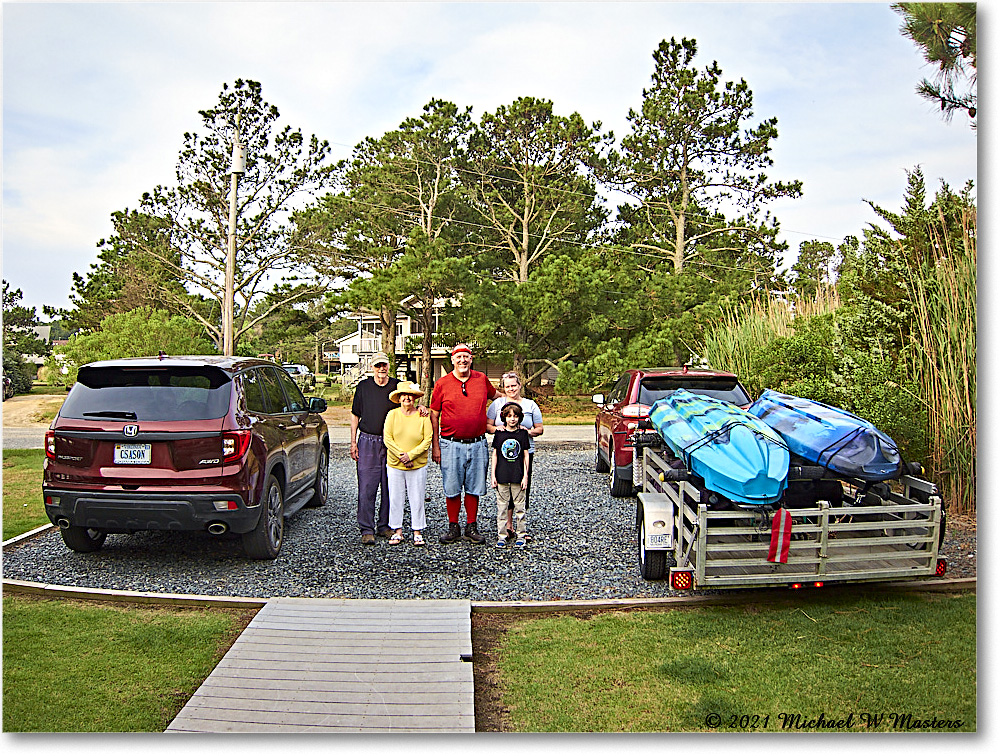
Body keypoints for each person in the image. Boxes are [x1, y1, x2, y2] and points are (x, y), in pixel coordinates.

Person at [430, 343, 500, 544]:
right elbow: (434, 414)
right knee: (452, 487)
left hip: (477, 443)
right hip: (450, 443)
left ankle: (471, 525)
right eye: (458, 357)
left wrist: (518, 402)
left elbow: (497, 398)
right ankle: (453, 526)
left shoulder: (481, 379)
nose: (462, 361)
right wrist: (435, 445)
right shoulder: (442, 383)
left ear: (471, 359)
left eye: (466, 357)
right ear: (452, 360)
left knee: (474, 487)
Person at [486, 371, 543, 540]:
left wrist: (529, 432)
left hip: (523, 452)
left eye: (514, 385)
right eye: (507, 386)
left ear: (519, 385)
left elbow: (540, 428)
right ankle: (507, 525)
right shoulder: (496, 405)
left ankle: (519, 527)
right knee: (504, 488)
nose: (511, 389)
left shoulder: (530, 405)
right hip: (503, 454)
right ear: (503, 388)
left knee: (521, 487)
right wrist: (499, 429)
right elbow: (487, 427)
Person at [350, 352, 399, 545]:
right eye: (378, 365)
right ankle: (366, 528)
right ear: (372, 367)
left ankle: (385, 525)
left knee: (390, 487)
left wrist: (421, 408)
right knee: (367, 487)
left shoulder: (397, 386)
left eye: (384, 365)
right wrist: (353, 442)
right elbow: (355, 415)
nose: (381, 369)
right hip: (368, 441)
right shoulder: (363, 387)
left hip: (391, 443)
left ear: (388, 366)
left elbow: (410, 403)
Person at [383, 381, 433, 547]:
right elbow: (387, 438)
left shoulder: (423, 416)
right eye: (403, 395)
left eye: (410, 395)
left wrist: (411, 456)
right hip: (395, 464)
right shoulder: (392, 415)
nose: (407, 398)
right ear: (399, 398)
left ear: (414, 398)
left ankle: (417, 531)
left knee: (417, 497)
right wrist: (401, 456)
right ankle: (397, 531)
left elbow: (428, 439)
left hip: (417, 464)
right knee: (396, 497)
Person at [491, 402, 531, 549]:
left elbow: (526, 456)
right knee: (501, 508)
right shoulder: (499, 434)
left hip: (518, 476)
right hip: (502, 476)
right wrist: (493, 475)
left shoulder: (523, 434)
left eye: (515, 416)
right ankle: (502, 535)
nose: (512, 419)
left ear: (520, 417)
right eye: (509, 416)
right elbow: (495, 454)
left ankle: (521, 535)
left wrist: (525, 476)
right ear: (504, 417)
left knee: (520, 508)